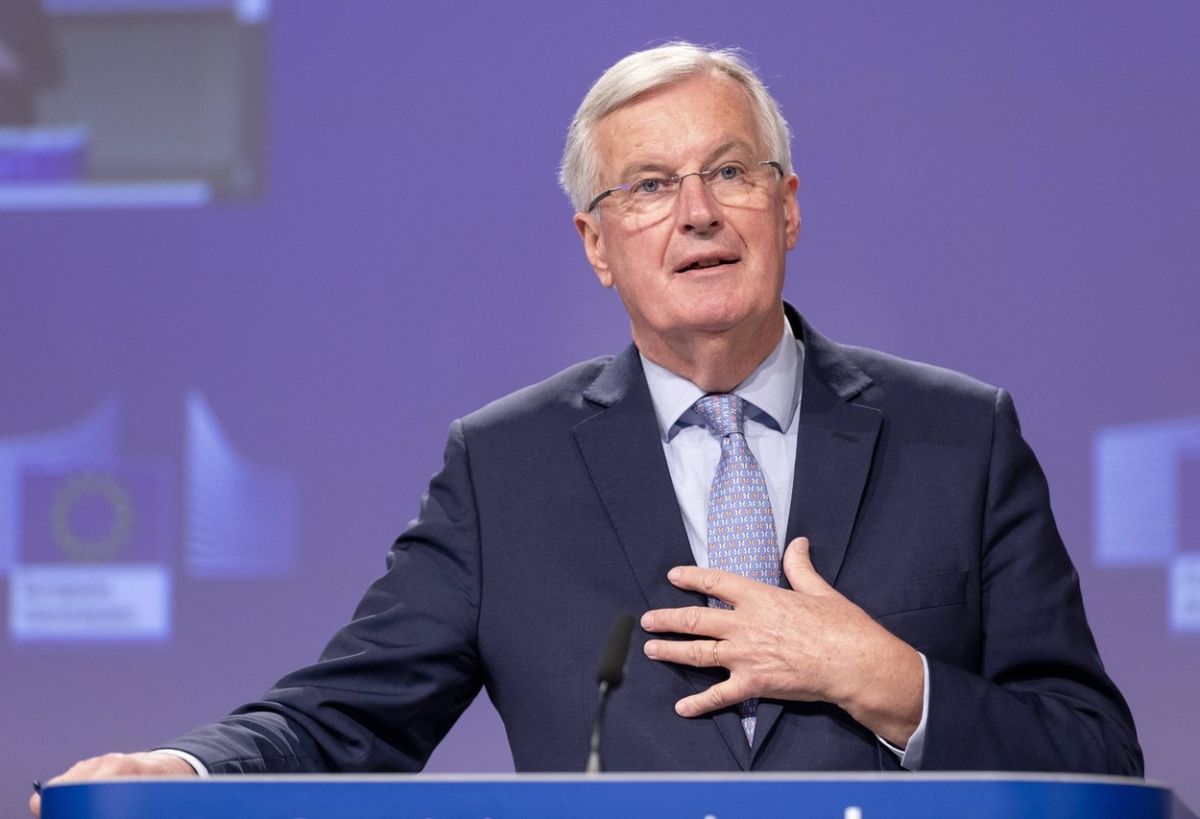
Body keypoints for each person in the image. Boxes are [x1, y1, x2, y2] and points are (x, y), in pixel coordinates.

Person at [31, 41, 1142, 816]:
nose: (698, 212)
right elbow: (346, 718)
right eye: (649, 186)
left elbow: (1097, 758)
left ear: (788, 206)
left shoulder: (961, 438)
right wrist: (183, 771)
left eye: (729, 172)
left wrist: (892, 679)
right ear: (597, 246)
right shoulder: (504, 468)